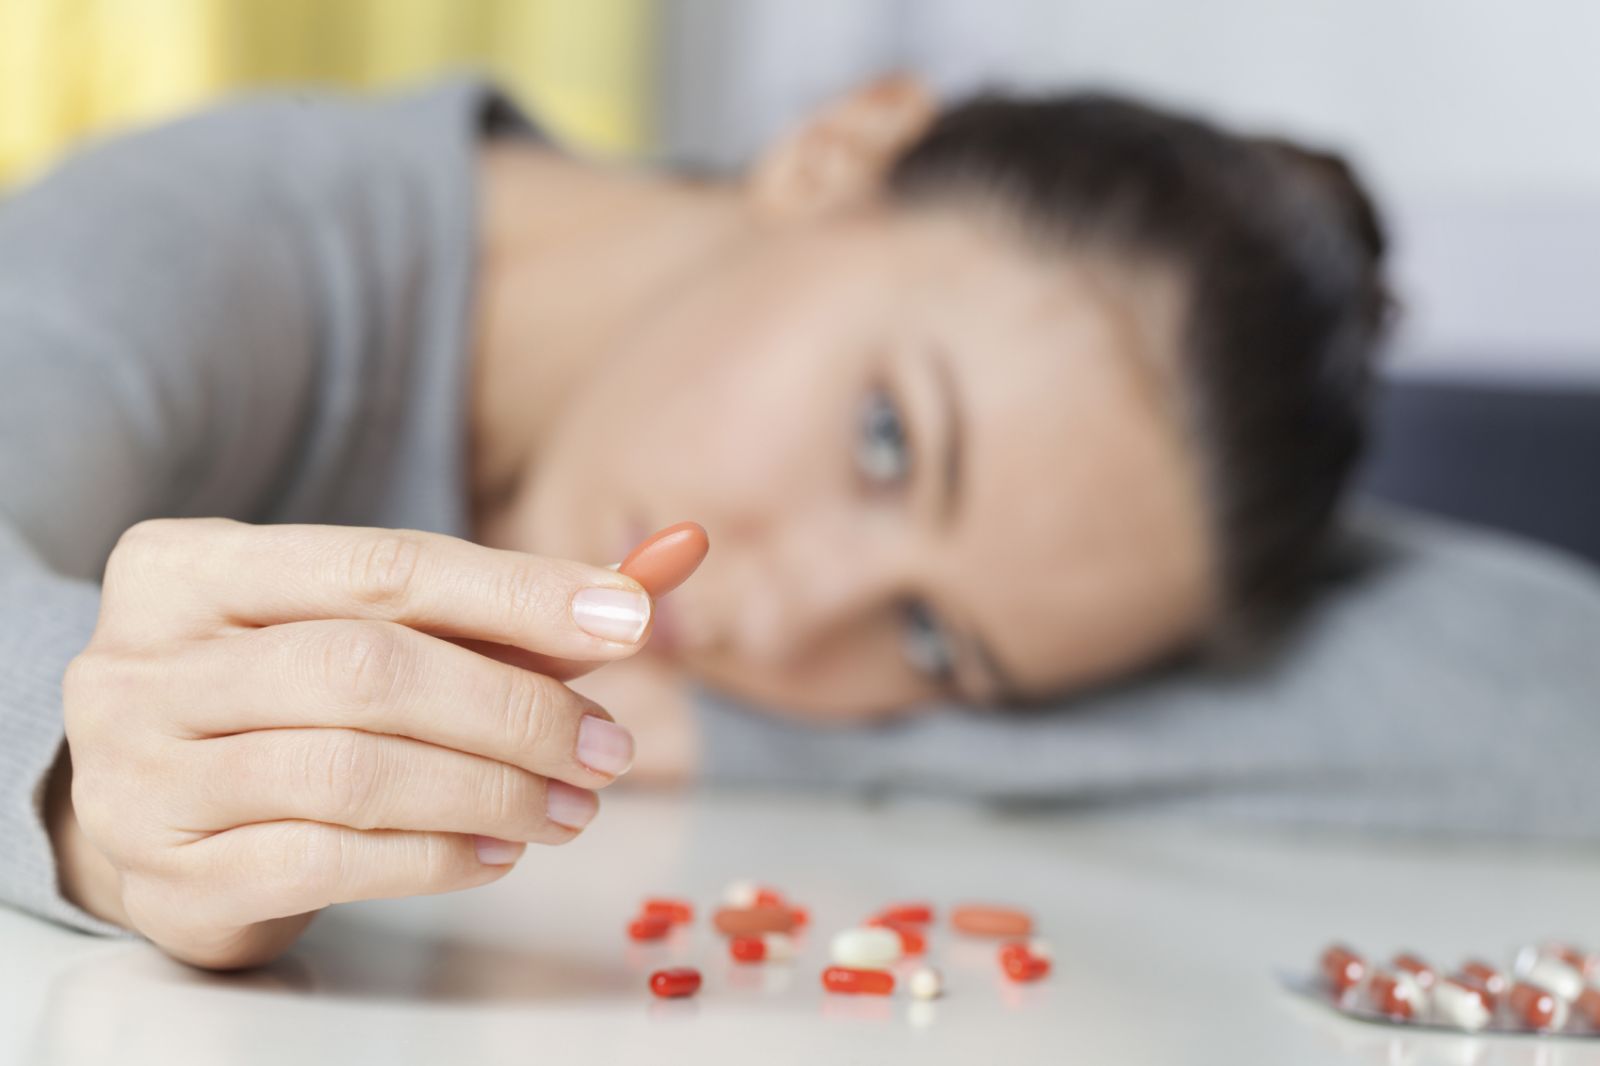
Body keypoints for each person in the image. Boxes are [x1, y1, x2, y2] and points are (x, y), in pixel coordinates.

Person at [4, 72, 1591, 972]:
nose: (782, 617)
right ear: (842, 152)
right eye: (892, 439)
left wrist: (752, 733)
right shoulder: (228, 243)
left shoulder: (807, 638)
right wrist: (89, 774)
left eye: (931, 640)